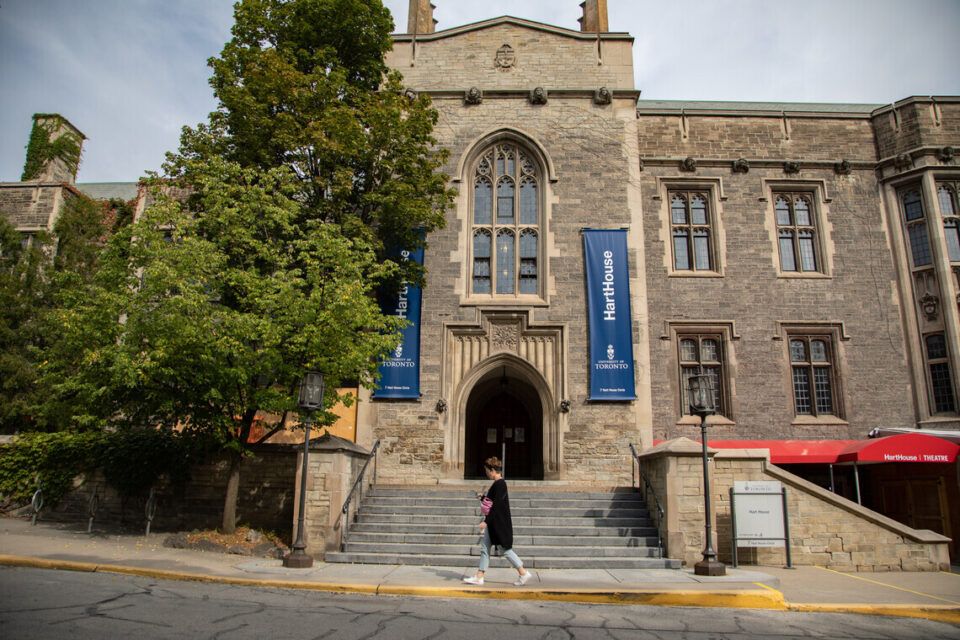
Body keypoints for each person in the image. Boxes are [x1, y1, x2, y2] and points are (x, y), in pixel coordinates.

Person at [463, 456, 532, 586]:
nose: (487, 474)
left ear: (493, 470)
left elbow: (497, 505)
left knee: (504, 549)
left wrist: (486, 521)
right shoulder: (497, 484)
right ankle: (479, 576)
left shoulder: (500, 484)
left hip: (498, 523)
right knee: (485, 548)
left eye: (487, 471)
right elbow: (493, 502)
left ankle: (523, 573)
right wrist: (483, 497)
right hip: (494, 522)